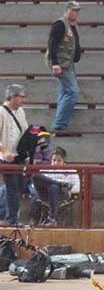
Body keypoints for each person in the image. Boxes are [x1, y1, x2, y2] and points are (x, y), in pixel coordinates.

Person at [46, 0, 82, 131]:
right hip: (61, 64)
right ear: (66, 10)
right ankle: (60, 124)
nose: (76, 13)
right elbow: (52, 43)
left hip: (68, 63)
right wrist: (55, 63)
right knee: (72, 93)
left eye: (77, 11)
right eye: (73, 10)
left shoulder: (72, 25)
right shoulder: (60, 24)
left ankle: (59, 124)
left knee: (64, 93)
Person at [0, 84, 28, 226]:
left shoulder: (21, 112)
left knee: (19, 187)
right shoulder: (1, 112)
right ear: (13, 96)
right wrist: (4, 151)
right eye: (21, 96)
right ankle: (11, 220)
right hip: (5, 158)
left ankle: (12, 217)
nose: (23, 100)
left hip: (19, 156)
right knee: (12, 188)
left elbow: (24, 130)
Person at [31, 146, 80, 227]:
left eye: (59, 161)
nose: (56, 163)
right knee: (35, 176)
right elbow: (34, 186)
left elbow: (77, 187)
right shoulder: (45, 170)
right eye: (54, 160)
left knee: (53, 187)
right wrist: (60, 184)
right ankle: (59, 184)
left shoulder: (71, 171)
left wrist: (69, 190)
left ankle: (52, 219)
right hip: (45, 194)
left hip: (62, 195)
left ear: (64, 161)